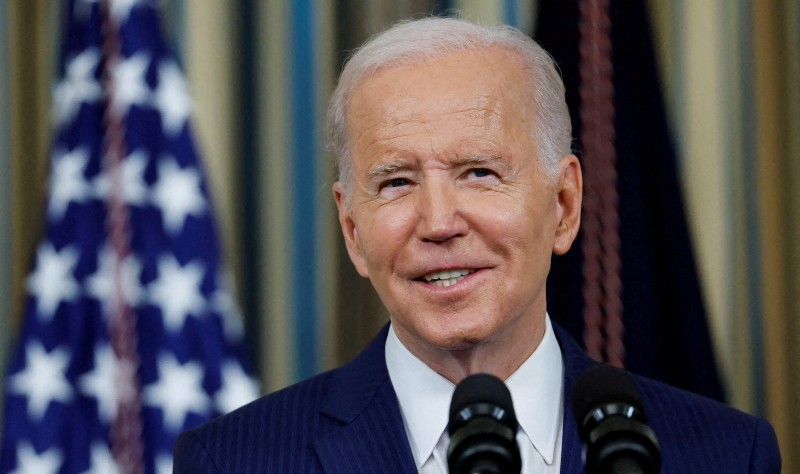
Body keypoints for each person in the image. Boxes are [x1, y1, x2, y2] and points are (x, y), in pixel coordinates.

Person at [173, 17, 781, 473]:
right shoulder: (233, 459)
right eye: (396, 182)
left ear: (564, 206)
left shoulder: (726, 454)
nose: (438, 222)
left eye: (479, 173)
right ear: (352, 230)